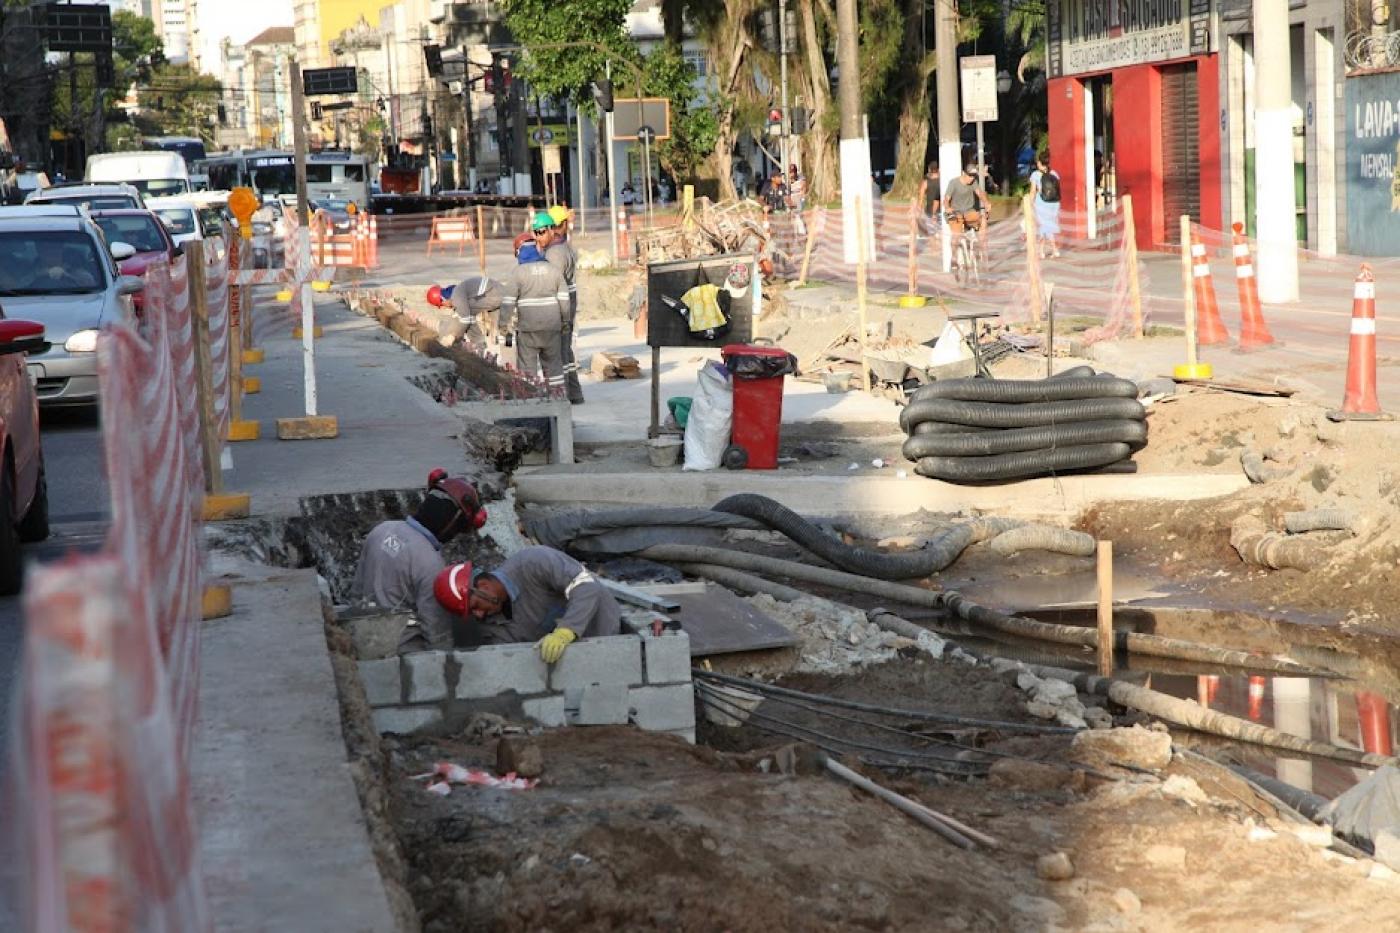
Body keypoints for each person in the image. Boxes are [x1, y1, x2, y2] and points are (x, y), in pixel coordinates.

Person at [352, 470, 488, 654]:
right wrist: (443, 668)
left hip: (363, 638)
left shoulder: (382, 530)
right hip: (401, 650)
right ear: (452, 522)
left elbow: (356, 591)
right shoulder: (430, 563)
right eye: (460, 529)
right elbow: (436, 630)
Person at [433, 545, 622, 662]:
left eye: (475, 606)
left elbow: (586, 586)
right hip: (571, 661)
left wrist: (566, 631)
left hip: (606, 634)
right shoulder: (493, 628)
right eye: (471, 614)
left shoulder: (533, 562)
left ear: (483, 586)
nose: (479, 616)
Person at [501, 213, 570, 396]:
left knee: (527, 370)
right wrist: (565, 322)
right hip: (552, 329)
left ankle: (531, 401)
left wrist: (503, 326)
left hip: (528, 331)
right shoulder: (554, 270)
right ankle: (558, 399)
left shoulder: (517, 273)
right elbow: (564, 300)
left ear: (519, 253)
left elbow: (508, 303)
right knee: (554, 369)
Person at [544, 204, 584, 404]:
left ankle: (564, 396)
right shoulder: (562, 247)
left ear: (555, 226)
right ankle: (574, 394)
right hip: (568, 300)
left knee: (558, 352)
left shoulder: (556, 253)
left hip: (562, 303)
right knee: (565, 350)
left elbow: (553, 282)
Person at [445, 274, 503, 344]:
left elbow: (466, 319)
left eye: (442, 304)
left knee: (467, 313)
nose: (447, 307)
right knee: (467, 312)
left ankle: (478, 342)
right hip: (496, 292)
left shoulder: (456, 297)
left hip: (494, 295)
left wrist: (456, 336)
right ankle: (483, 340)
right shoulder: (458, 291)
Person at [942, 163, 988, 251]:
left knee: (983, 220)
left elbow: (979, 193)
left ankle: (982, 246)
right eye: (970, 176)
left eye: (974, 176)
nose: (972, 178)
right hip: (955, 213)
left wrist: (986, 202)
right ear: (964, 173)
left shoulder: (974, 182)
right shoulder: (954, 183)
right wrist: (947, 208)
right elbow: (946, 199)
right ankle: (954, 257)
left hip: (969, 211)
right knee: (956, 236)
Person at [1030, 153, 1062, 259]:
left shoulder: (1035, 175)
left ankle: (1053, 249)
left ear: (1039, 162)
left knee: (1044, 227)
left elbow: (1033, 192)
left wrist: (1030, 203)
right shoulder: (1054, 174)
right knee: (1047, 226)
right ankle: (1042, 250)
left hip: (1042, 203)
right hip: (1054, 204)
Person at [916, 163, 941, 236]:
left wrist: (919, 209)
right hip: (941, 210)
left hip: (930, 211)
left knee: (932, 234)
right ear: (938, 170)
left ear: (929, 170)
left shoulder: (926, 182)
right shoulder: (943, 180)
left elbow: (921, 197)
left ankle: (934, 246)